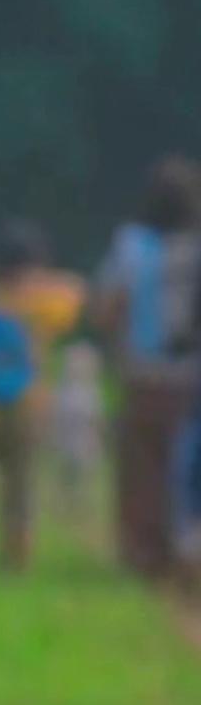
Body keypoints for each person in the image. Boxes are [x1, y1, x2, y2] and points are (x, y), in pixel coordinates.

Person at [93, 155, 201, 580]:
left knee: (141, 464)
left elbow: (107, 308)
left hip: (140, 373)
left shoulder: (131, 245)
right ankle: (181, 547)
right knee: (184, 463)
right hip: (190, 375)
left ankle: (141, 550)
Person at [0, 218, 83, 570]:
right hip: (27, 404)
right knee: (21, 482)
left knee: (9, 481)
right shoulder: (40, 302)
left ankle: (11, 544)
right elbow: (75, 294)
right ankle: (18, 546)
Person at [51, 340, 105, 517]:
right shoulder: (63, 392)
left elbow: (96, 419)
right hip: (68, 440)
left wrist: (96, 437)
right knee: (67, 474)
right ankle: (64, 503)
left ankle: (81, 504)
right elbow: (57, 419)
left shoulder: (91, 393)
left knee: (83, 475)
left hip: (84, 441)